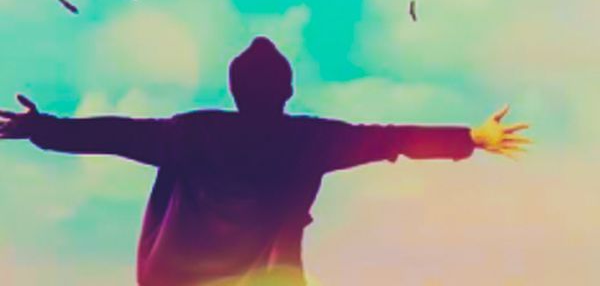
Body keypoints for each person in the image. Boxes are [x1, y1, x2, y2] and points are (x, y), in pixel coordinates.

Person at [0, 37, 530, 286]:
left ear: (233, 91)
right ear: (289, 90)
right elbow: (390, 140)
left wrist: (40, 127)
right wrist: (471, 137)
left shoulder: (193, 133)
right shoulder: (311, 141)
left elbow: (115, 135)